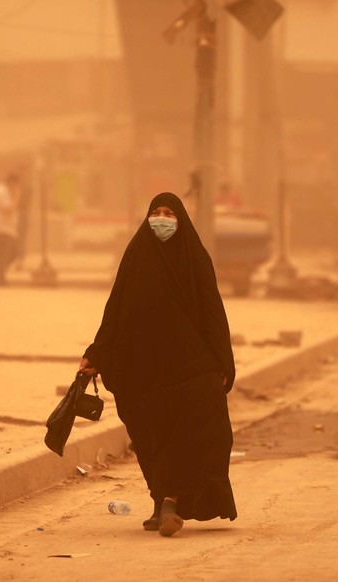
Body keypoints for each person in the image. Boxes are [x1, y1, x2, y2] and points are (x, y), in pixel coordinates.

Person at [79, 192, 237, 537]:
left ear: (181, 219)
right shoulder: (137, 255)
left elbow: (213, 312)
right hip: (144, 369)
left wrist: (223, 362)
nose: (162, 219)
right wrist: (96, 353)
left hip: (190, 368)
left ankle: (170, 500)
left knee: (186, 436)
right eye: (156, 212)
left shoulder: (194, 257)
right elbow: (116, 308)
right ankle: (159, 499)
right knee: (151, 438)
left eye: (169, 213)